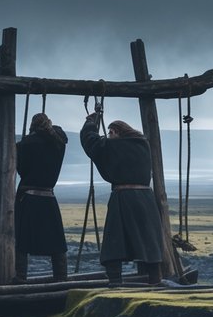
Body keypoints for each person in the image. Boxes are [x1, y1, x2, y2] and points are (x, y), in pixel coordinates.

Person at [80, 113, 166, 287]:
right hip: (145, 200)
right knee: (148, 239)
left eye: (111, 132)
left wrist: (90, 123)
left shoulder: (114, 147)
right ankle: (155, 280)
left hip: (123, 198)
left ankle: (115, 281)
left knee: (114, 240)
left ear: (117, 131)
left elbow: (91, 142)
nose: (109, 135)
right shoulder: (143, 145)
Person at [13, 113, 69, 283]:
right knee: (57, 241)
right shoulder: (59, 143)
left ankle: (20, 277)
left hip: (28, 198)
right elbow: (58, 132)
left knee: (21, 240)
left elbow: (21, 169)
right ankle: (61, 278)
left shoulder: (24, 145)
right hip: (49, 197)